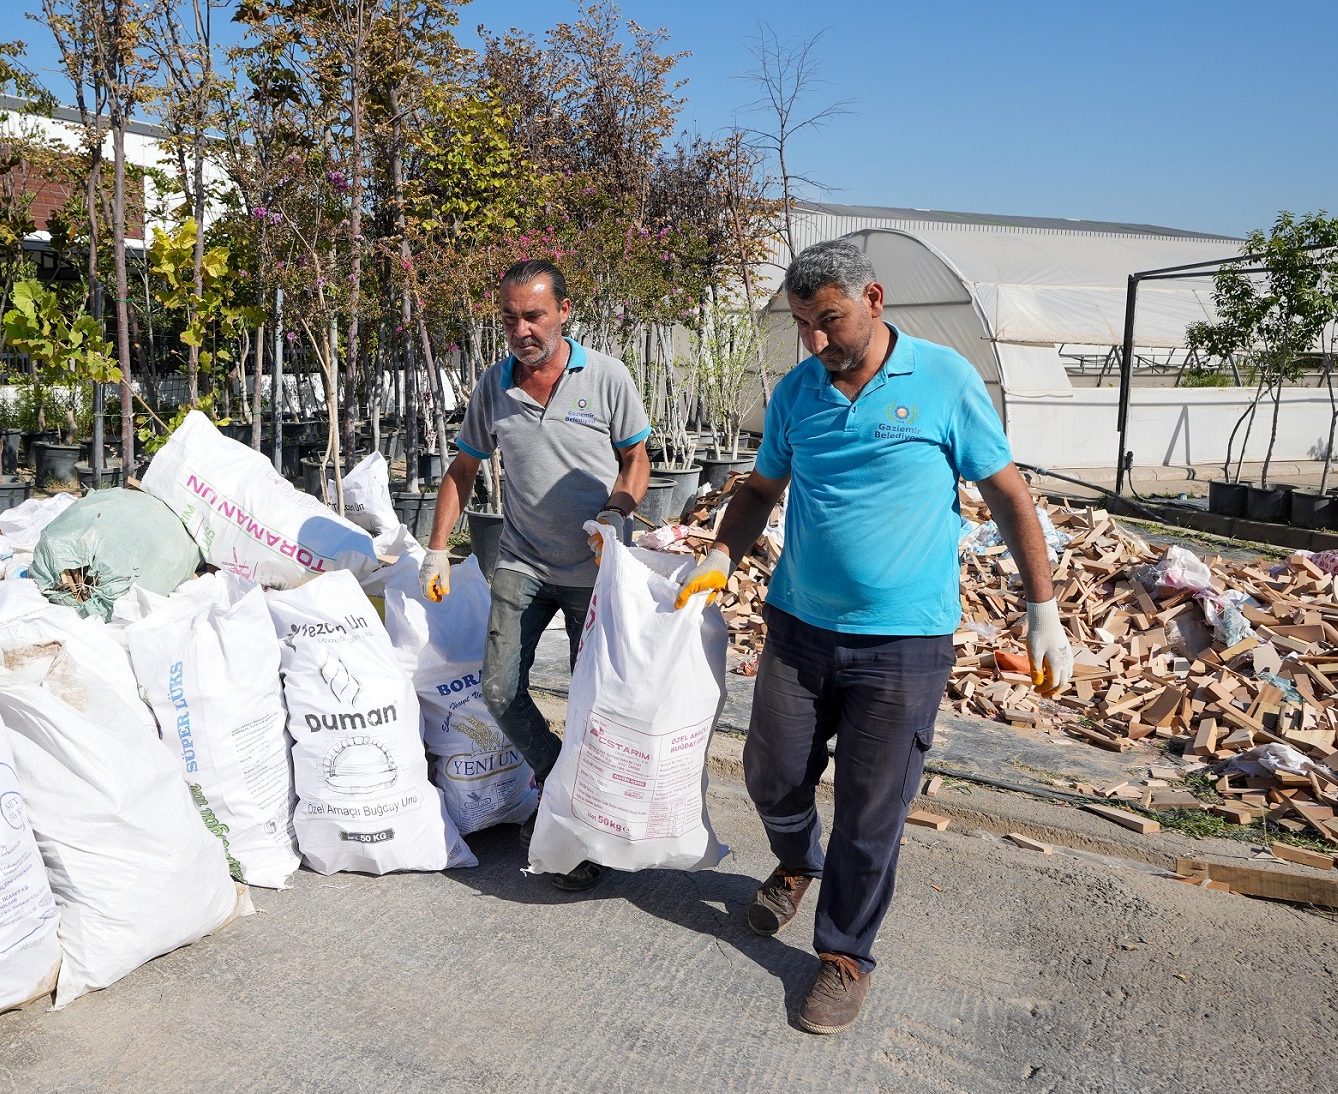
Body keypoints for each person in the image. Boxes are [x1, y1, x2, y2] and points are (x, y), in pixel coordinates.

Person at [678, 238, 1072, 1034]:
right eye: (802, 324)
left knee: (871, 808)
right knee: (771, 770)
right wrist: (722, 550)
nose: (818, 342)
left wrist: (1043, 609)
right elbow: (760, 489)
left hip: (904, 643)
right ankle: (796, 863)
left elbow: (1009, 496)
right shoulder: (798, 392)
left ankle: (845, 955)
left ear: (876, 299)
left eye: (830, 320)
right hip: (799, 625)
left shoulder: (944, 382)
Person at [422, 259, 653, 890]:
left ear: (564, 311)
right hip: (522, 560)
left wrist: (615, 513)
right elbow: (462, 469)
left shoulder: (606, 377)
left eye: (534, 314)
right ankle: (563, 789)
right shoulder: (493, 387)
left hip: (592, 571)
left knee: (592, 703)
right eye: (510, 317)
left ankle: (586, 827)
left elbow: (637, 461)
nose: (522, 329)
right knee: (499, 691)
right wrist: (437, 548)